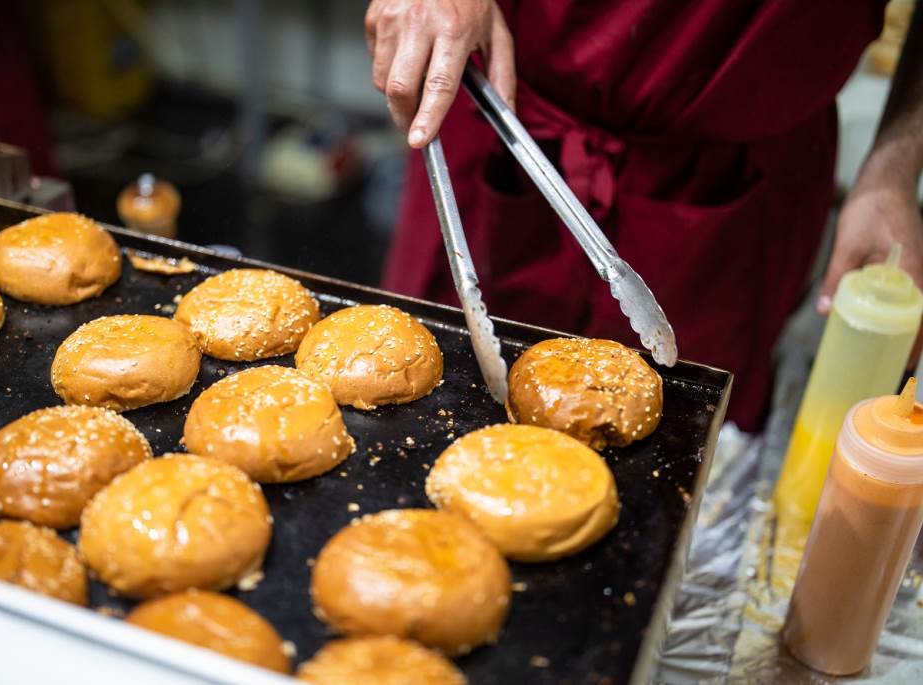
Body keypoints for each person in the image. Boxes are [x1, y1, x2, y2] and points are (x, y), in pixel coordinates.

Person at [366, 0, 923, 431]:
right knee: (421, 400)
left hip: (734, 188)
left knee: (681, 447)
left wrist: (895, 167)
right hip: (501, 98)